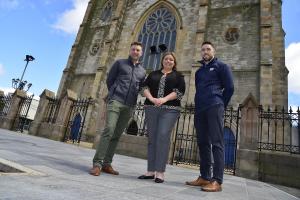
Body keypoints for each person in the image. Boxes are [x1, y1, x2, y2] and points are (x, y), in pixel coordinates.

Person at [90, 41, 146, 176]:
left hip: (130, 105)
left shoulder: (143, 71)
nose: (135, 52)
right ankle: (97, 163)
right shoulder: (119, 63)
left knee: (117, 134)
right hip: (116, 101)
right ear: (130, 50)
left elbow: (141, 88)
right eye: (133, 49)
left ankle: (107, 164)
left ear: (141, 53)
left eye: (138, 50)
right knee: (109, 129)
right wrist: (114, 93)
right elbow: (110, 80)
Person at [185, 41, 234, 192]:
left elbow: (230, 88)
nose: (205, 51)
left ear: (213, 51)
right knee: (202, 142)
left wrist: (220, 103)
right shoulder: (199, 72)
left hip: (214, 106)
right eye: (203, 49)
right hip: (200, 109)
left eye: (208, 49)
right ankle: (205, 176)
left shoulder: (221, 66)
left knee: (217, 143)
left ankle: (217, 181)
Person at [138, 52, 185, 183]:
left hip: (170, 110)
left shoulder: (178, 76)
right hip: (151, 107)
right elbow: (144, 87)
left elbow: (179, 92)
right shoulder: (153, 74)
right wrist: (152, 98)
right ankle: (151, 171)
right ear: (162, 61)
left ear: (174, 63)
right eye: (166, 59)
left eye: (171, 59)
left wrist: (164, 99)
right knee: (152, 138)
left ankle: (160, 172)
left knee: (163, 136)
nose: (168, 61)